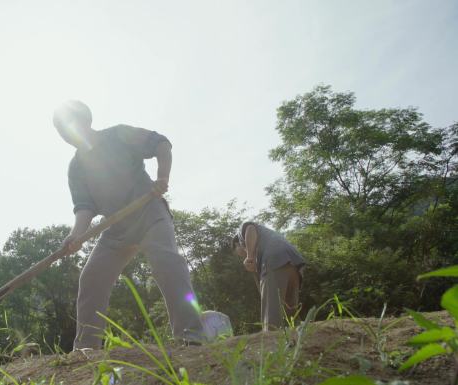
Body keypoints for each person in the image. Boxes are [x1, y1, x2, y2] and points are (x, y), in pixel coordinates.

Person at [52, 100, 204, 349]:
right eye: (60, 131)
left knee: (167, 261)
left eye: (67, 125)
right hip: (115, 227)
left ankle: (192, 336)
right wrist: (75, 235)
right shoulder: (76, 167)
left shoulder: (118, 135)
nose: (64, 134)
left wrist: (162, 177)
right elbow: (84, 207)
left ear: (85, 120)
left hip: (148, 212)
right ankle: (86, 349)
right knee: (91, 278)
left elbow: (161, 144)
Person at [230, 221, 306, 331]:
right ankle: (298, 342)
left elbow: (250, 228)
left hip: (275, 260)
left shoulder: (241, 234)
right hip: (294, 262)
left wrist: (249, 256)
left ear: (237, 244)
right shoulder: (265, 239)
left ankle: (272, 345)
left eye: (238, 253)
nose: (241, 256)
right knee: (291, 311)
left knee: (271, 318)